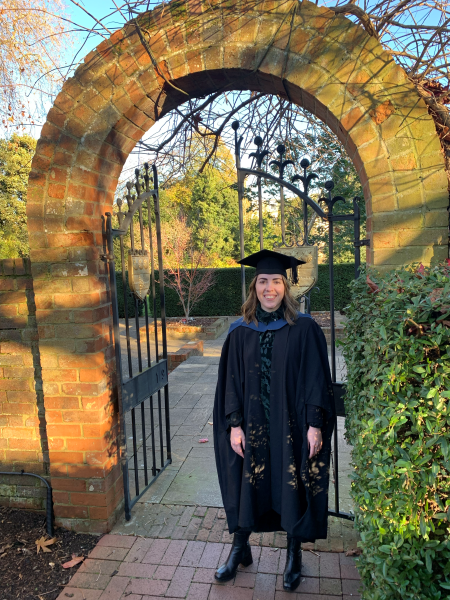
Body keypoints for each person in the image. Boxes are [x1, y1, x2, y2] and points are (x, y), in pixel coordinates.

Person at [213, 249, 335, 592]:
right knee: (243, 482)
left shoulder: (304, 329)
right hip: (251, 427)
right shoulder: (240, 331)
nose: (269, 288)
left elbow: (315, 380)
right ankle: (240, 548)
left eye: (276, 281)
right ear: (255, 287)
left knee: (291, 483)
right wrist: (234, 424)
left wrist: (314, 425)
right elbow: (231, 382)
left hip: (291, 428)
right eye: (263, 281)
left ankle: (293, 553)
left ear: (286, 286)